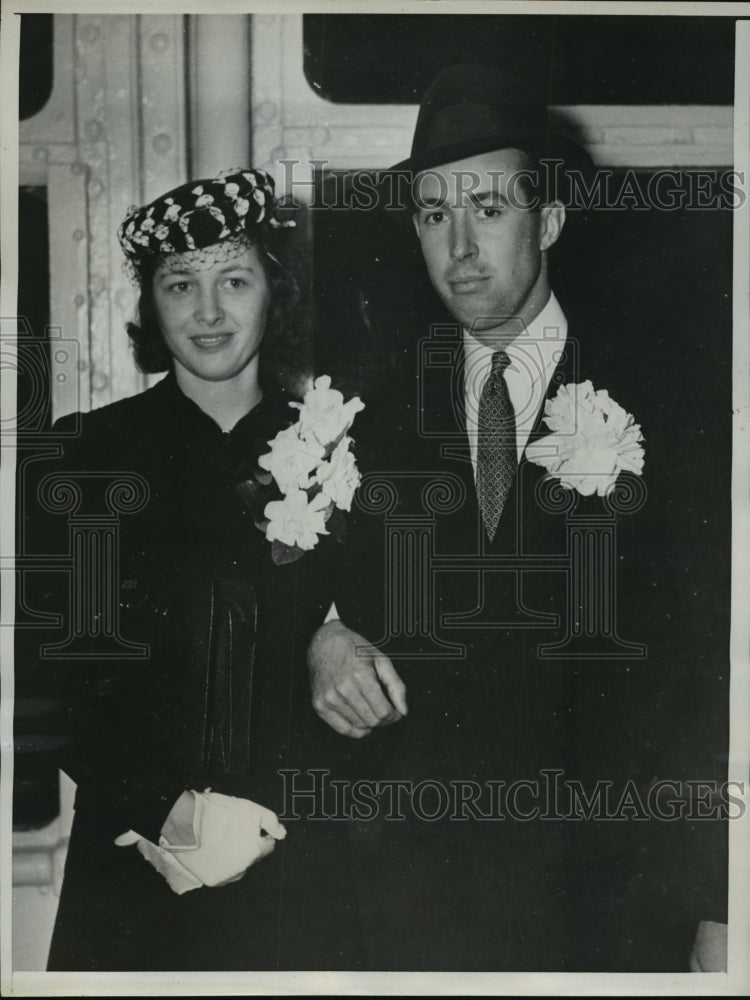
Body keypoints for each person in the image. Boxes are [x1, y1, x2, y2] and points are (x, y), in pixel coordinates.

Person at [308, 65, 729, 970]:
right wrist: (322, 639)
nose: (459, 246)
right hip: (416, 908)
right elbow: (311, 600)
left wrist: (716, 901)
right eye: (432, 215)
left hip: (616, 909)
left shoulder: (674, 403)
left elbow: (711, 668)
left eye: (488, 209)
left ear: (549, 219)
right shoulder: (366, 420)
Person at [17, 168, 364, 971]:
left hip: (302, 868)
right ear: (150, 305)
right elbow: (43, 678)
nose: (208, 312)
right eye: (180, 284)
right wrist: (167, 813)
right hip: (138, 868)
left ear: (275, 294)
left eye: (234, 280)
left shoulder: (337, 449)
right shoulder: (85, 456)